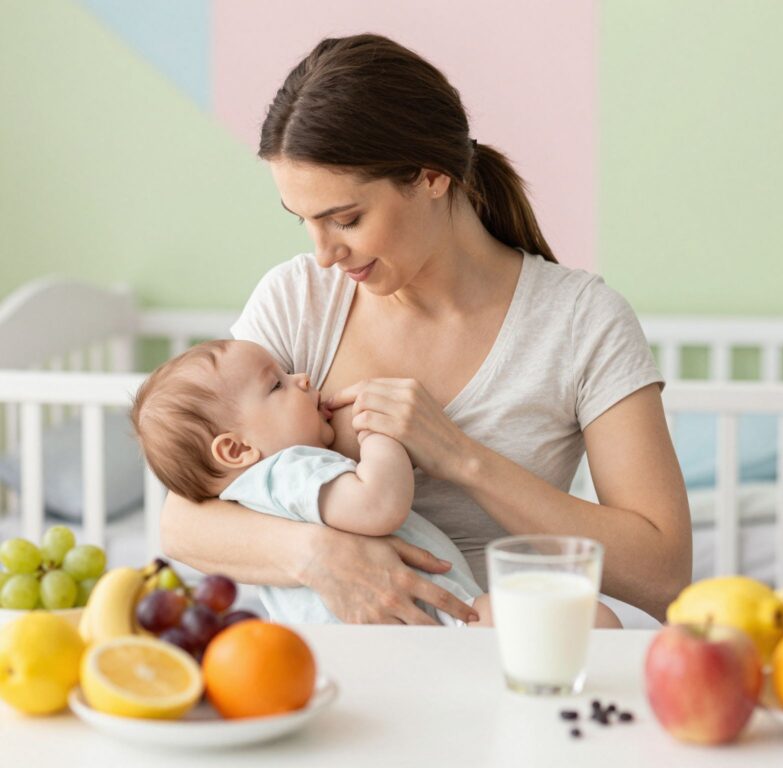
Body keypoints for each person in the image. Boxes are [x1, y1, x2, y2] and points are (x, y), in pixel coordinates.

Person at [161, 33, 691, 626]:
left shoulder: (581, 322)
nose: (324, 256)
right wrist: (320, 556)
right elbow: (181, 520)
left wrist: (461, 457)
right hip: (337, 671)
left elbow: (663, 575)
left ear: (432, 176)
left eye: (346, 219)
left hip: (498, 653)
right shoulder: (299, 300)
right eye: (305, 222)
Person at [133, 338, 622, 628]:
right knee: (594, 622)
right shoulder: (288, 471)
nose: (302, 378)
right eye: (277, 384)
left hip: (387, 631)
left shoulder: (253, 492)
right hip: (427, 621)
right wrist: (381, 432)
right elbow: (378, 505)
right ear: (237, 450)